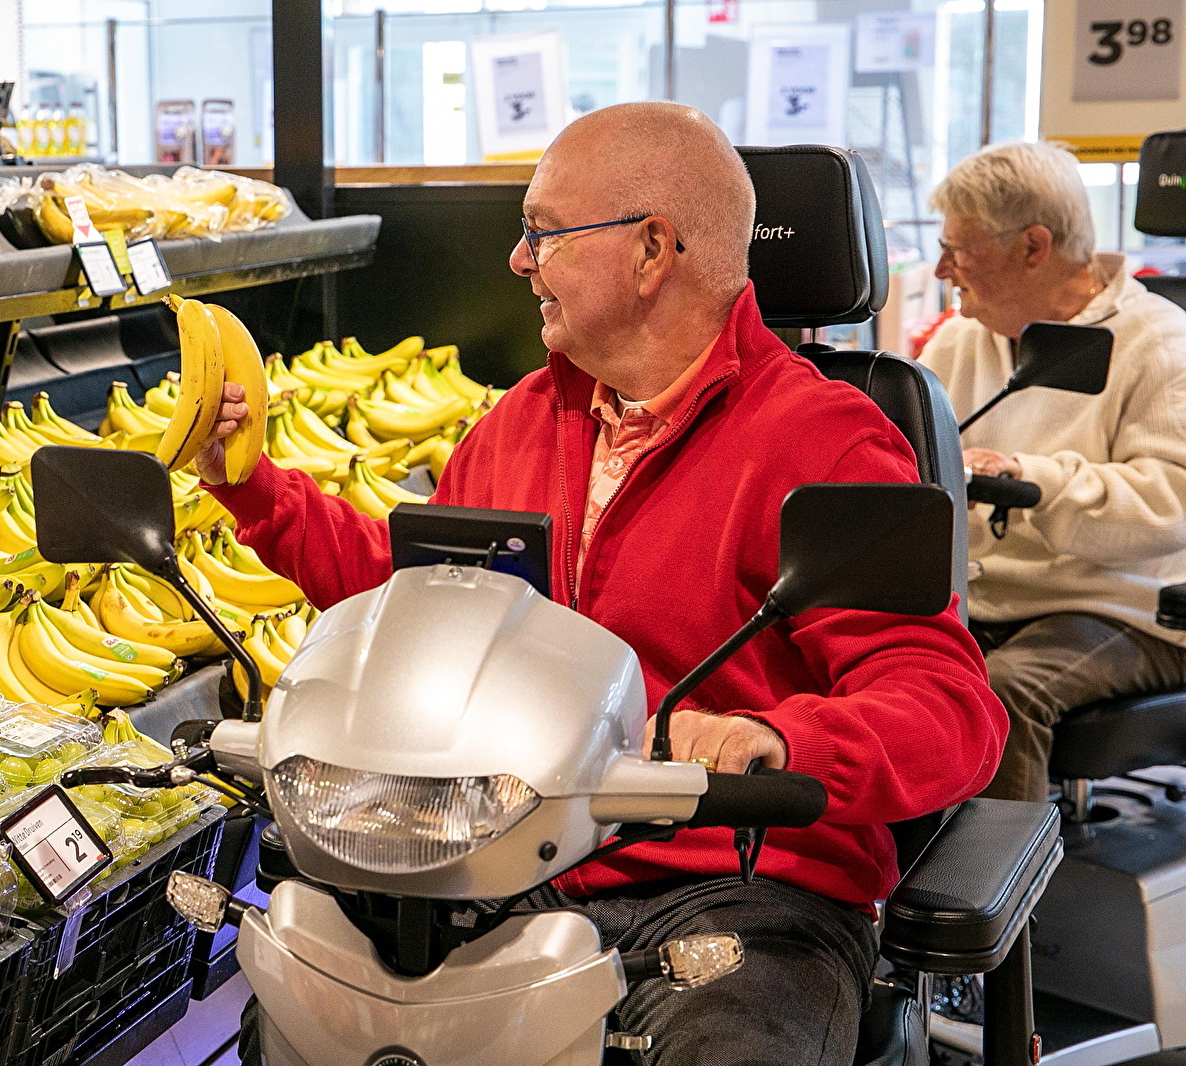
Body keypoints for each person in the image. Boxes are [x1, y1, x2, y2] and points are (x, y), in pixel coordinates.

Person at [199, 103, 1006, 1065]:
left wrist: (776, 741)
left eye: (541, 231)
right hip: (502, 865)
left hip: (737, 888)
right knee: (294, 1018)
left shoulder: (826, 442)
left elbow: (949, 706)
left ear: (652, 250)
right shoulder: (520, 422)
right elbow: (416, 603)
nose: (517, 259)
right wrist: (252, 489)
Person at [919, 141, 1186, 804]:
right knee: (881, 674)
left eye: (961, 248)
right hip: (987, 601)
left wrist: (1030, 477)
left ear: (1034, 246)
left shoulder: (1158, 341)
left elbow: (1172, 504)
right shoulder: (959, 338)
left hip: (1123, 608)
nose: (942, 266)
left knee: (1003, 692)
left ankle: (1002, 901)